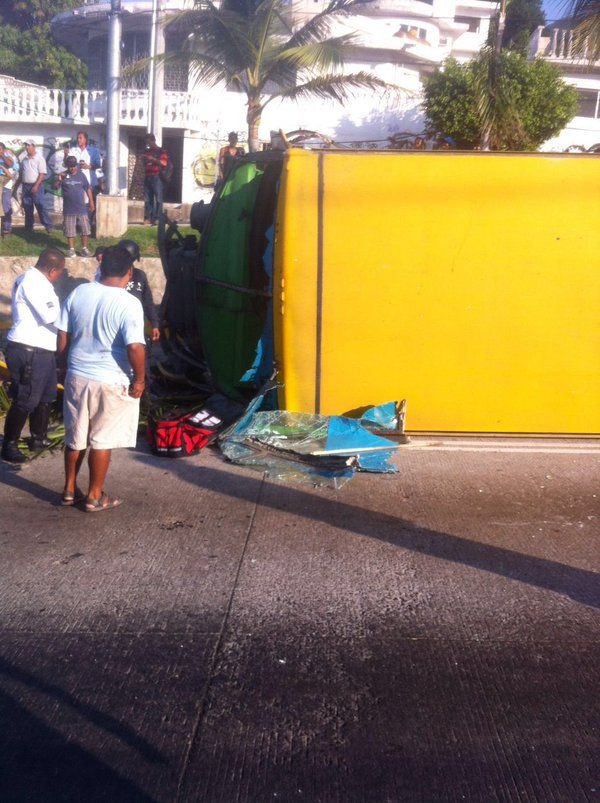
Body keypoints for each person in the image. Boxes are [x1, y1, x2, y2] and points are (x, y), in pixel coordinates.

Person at [57, 245, 146, 511]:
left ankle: (69, 490)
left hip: (77, 375)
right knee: (102, 439)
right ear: (129, 272)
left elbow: (63, 336)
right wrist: (140, 380)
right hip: (110, 380)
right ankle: (95, 496)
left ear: (102, 267)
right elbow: (135, 348)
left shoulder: (79, 292)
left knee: (76, 436)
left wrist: (62, 367)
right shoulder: (129, 303)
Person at [2, 248, 66, 464]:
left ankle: (38, 437)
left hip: (43, 349)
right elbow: (50, 315)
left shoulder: (40, 281)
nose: (60, 276)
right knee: (26, 398)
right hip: (28, 348)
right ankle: (9, 444)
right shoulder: (32, 282)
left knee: (47, 395)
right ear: (52, 269)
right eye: (60, 272)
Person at [118, 239, 160, 341]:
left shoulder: (140, 275)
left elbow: (148, 301)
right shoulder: (113, 277)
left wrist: (154, 324)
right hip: (117, 324)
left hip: (135, 325)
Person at [55, 155, 95, 257]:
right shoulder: (63, 175)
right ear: (67, 166)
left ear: (76, 165)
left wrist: (91, 201)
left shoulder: (81, 175)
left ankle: (84, 249)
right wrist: (59, 180)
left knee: (85, 229)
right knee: (70, 230)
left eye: (73, 166)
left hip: (81, 208)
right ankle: (71, 249)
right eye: (70, 166)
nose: (72, 168)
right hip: (69, 208)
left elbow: (88, 188)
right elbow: (55, 187)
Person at [63, 131, 102, 233]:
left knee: (89, 204)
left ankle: (88, 225)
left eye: (80, 138)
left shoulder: (93, 151)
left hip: (89, 180)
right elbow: (66, 164)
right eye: (78, 138)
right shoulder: (73, 150)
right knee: (78, 202)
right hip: (76, 181)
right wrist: (65, 154)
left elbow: (98, 164)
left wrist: (89, 166)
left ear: (85, 139)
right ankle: (78, 226)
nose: (79, 140)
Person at [16, 140, 53, 234]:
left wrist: (36, 186)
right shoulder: (24, 159)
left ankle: (48, 225)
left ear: (33, 146)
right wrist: (17, 184)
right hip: (26, 186)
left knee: (40, 205)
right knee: (27, 207)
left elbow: (42, 174)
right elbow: (22, 173)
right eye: (26, 146)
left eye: (28, 145)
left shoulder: (39, 158)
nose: (27, 147)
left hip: (36, 185)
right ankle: (29, 227)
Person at [142, 133, 167, 226]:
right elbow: (144, 164)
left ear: (153, 140)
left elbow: (164, 163)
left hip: (157, 177)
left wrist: (152, 159)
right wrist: (144, 159)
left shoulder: (161, 151)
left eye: (149, 142)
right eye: (146, 142)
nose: (148, 144)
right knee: (148, 199)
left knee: (159, 199)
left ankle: (157, 218)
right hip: (147, 176)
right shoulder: (146, 151)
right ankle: (148, 218)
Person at [0, 142, 18, 238]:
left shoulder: (8, 157)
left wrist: (2, 156)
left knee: (6, 207)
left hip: (6, 184)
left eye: (0, 149)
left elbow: (10, 165)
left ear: (4, 150)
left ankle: (7, 229)